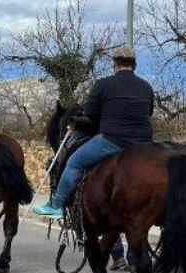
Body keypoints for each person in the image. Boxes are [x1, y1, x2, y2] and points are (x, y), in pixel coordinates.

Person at [32, 45, 155, 218]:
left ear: (114, 64)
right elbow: (148, 113)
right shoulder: (146, 87)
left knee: (74, 162)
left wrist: (76, 124)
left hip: (113, 141)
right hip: (144, 144)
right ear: (134, 65)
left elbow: (90, 116)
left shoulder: (103, 85)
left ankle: (57, 205)